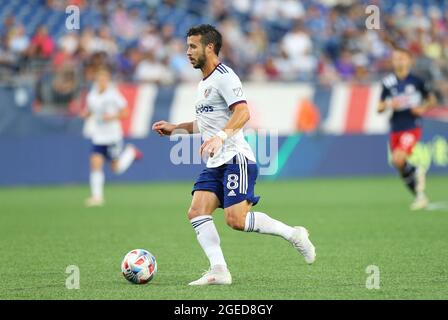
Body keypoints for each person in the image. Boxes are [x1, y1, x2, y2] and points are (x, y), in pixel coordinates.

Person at [152, 24, 316, 286]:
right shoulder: (204, 83)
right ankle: (219, 270)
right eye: (187, 46)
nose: (188, 52)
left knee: (235, 220)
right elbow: (205, 124)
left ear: (209, 47)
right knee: (197, 211)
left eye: (193, 46)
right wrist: (176, 128)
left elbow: (243, 112)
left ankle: (294, 234)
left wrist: (221, 137)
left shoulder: (225, 76)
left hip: (236, 158)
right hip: (216, 161)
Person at [378, 47, 437, 210]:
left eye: (402, 58)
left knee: (398, 158)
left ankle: (418, 169)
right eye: (396, 58)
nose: (399, 61)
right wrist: (389, 104)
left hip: (412, 125)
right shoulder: (388, 82)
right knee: (398, 164)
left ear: (409, 60)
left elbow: (431, 99)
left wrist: (423, 108)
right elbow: (379, 107)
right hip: (396, 126)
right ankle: (420, 196)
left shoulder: (417, 80)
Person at [81, 66, 142, 207]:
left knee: (116, 168)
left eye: (104, 79)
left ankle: (131, 152)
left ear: (108, 80)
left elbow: (126, 112)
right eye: (99, 79)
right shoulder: (92, 95)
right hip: (98, 136)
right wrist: (86, 114)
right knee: (95, 162)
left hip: (113, 136)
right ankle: (97, 197)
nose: (102, 82)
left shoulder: (113, 95)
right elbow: (90, 111)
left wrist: (112, 117)